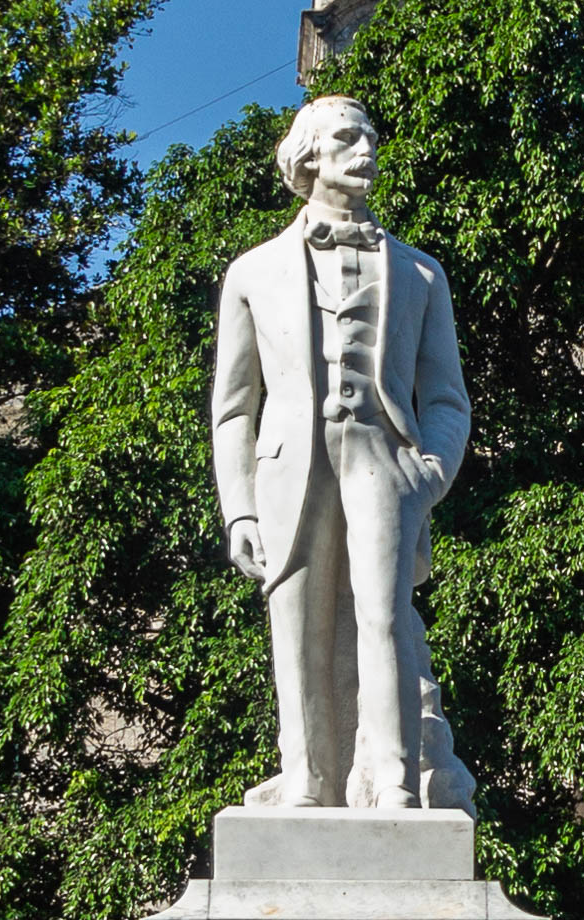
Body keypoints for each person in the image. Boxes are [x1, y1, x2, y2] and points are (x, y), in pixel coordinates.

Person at [212, 96, 471, 809]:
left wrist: (431, 474)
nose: (367, 150)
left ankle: (390, 781)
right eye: (349, 138)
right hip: (288, 466)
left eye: (372, 137)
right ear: (309, 156)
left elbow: (446, 397)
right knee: (296, 624)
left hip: (383, 461)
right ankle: (307, 778)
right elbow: (234, 409)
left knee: (385, 619)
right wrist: (239, 511)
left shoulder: (421, 274)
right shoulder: (253, 272)